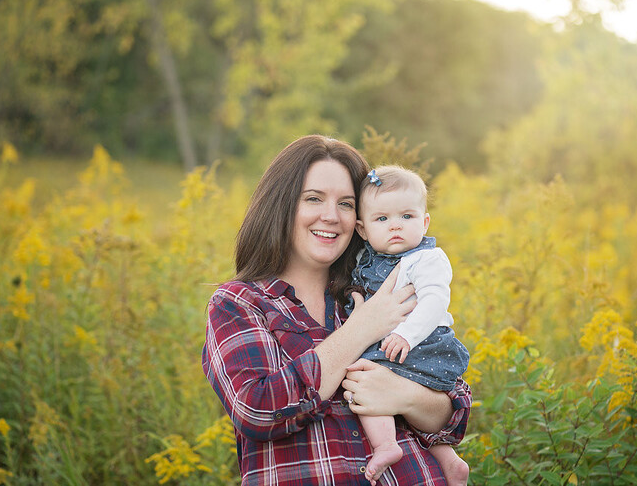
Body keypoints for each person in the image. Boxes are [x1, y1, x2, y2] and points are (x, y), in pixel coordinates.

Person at [202, 135, 472, 485]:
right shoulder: (239, 303)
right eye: (313, 198)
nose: (331, 216)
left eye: (346, 204)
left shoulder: (378, 287)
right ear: (281, 205)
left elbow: (453, 413)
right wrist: (361, 330)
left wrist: (404, 396)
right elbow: (258, 410)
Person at [346, 165, 471, 485]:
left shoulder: (426, 259)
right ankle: (449, 460)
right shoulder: (364, 259)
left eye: (407, 216)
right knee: (399, 398)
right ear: (362, 230)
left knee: (364, 381)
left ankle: (386, 445)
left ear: (425, 221)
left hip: (421, 344)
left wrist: (406, 334)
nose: (395, 226)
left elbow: (435, 301)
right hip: (395, 341)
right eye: (382, 219)